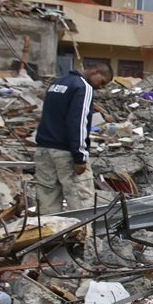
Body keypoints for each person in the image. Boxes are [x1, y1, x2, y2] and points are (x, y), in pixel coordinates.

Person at [34, 62, 112, 213]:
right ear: (95, 71)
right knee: (80, 203)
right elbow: (78, 122)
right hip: (66, 152)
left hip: (44, 150)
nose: (100, 87)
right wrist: (80, 156)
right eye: (102, 82)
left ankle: (51, 234)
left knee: (47, 202)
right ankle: (82, 235)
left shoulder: (58, 83)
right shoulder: (83, 87)